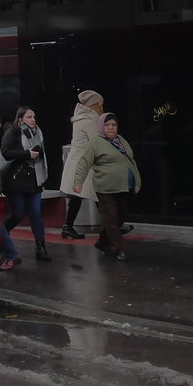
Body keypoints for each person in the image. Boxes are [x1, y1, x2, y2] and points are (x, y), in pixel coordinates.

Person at [70, 112, 142, 261]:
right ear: (101, 126)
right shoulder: (95, 142)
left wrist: (137, 181)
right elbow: (84, 163)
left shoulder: (121, 140)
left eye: (113, 125)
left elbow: (131, 161)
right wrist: (78, 183)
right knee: (111, 218)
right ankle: (118, 248)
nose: (110, 128)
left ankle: (103, 241)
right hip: (105, 188)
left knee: (120, 216)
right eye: (107, 125)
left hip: (124, 186)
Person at [0, 106, 51, 261]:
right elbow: (6, 152)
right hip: (16, 181)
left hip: (34, 180)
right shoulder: (13, 132)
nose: (33, 120)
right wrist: (26, 154)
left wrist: (42, 178)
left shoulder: (38, 133)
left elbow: (42, 157)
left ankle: (41, 249)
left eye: (34, 117)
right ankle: (3, 234)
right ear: (20, 118)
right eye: (29, 117)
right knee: (18, 213)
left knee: (36, 213)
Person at [58, 89, 102, 238]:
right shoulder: (90, 120)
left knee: (78, 197)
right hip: (84, 164)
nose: (102, 106)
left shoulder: (80, 118)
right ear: (94, 104)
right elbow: (96, 142)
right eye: (100, 103)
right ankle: (113, 225)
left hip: (77, 162)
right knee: (99, 195)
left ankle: (67, 227)